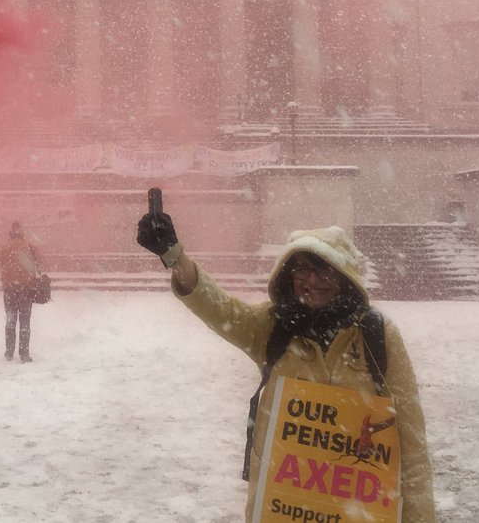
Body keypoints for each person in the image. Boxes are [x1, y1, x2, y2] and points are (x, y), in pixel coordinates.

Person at [136, 213, 436, 523]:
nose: (311, 280)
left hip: (357, 509)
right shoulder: (274, 326)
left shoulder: (378, 336)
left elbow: (411, 441)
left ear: (344, 275)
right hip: (285, 505)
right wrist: (175, 257)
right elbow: (219, 308)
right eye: (301, 269)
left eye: (322, 269)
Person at [0, 221, 41, 362]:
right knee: (25, 321)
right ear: (22, 233)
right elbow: (38, 261)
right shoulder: (29, 246)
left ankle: (9, 351)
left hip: (10, 288)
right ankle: (24, 353)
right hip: (26, 289)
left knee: (10, 320)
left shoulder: (5, 247)